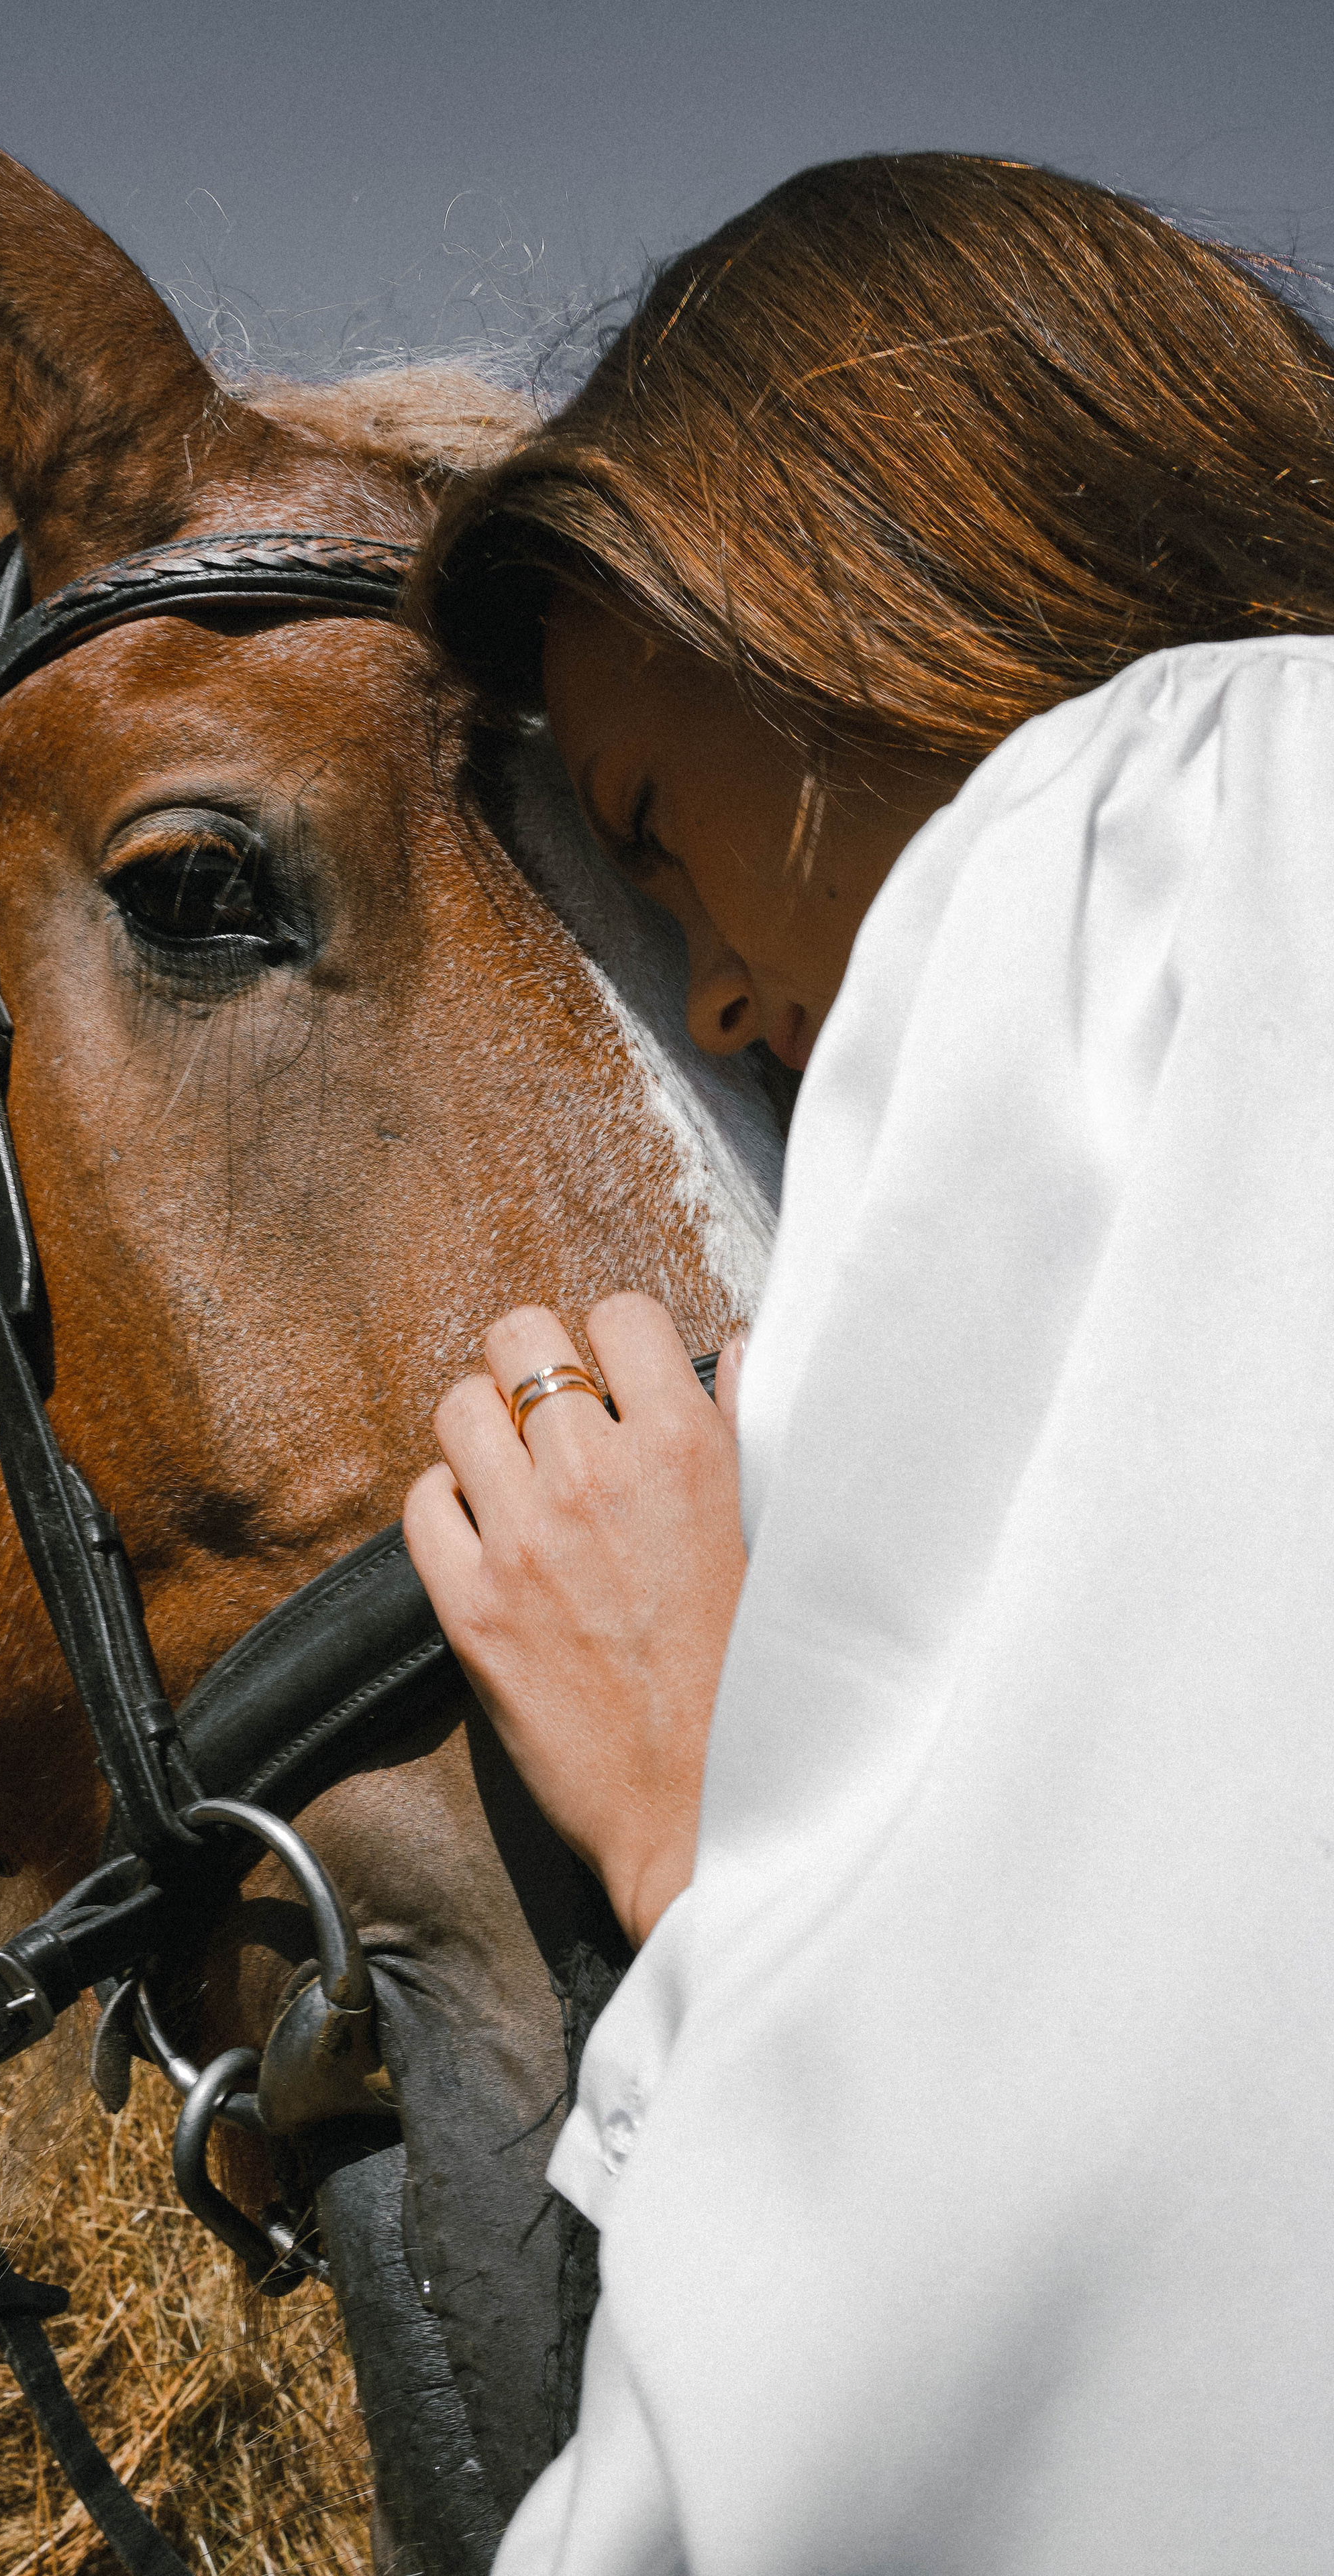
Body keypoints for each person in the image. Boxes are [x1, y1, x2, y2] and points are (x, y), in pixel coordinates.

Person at [400, 154, 1334, 2571]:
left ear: (859, 570)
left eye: (654, 833)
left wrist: (713, 1825)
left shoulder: (1174, 826)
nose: (715, 999)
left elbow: (975, 2392)